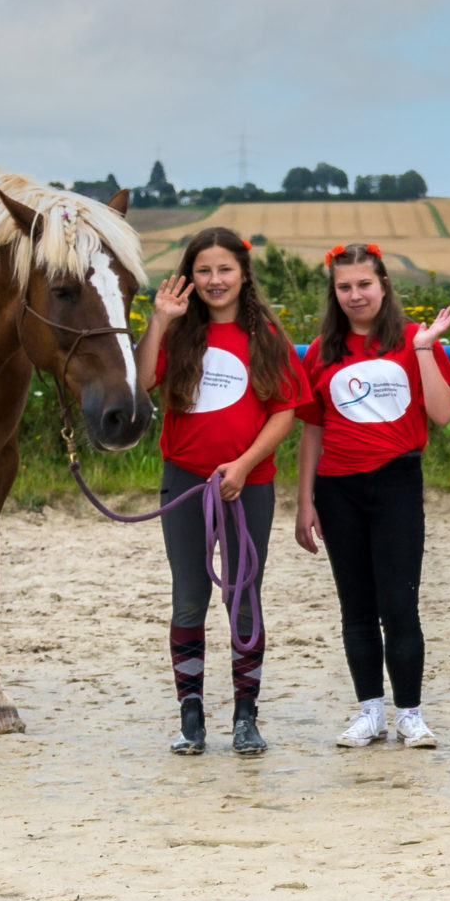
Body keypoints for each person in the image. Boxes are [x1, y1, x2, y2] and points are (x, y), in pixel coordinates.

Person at [138, 227, 306, 757]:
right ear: (191, 277)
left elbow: (285, 409)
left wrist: (244, 464)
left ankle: (245, 715)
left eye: (224, 270)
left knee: (243, 596)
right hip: (186, 483)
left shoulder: (267, 337)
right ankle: (191, 715)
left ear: (242, 274)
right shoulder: (178, 334)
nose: (215, 280)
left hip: (246, 485)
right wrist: (160, 321)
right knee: (190, 595)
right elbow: (141, 381)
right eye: (204, 271)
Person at [292, 244, 450, 750]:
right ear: (334, 292)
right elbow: (312, 432)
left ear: (383, 284)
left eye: (364, 284)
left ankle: (410, 713)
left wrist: (427, 349)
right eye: (344, 287)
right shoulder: (323, 350)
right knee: (356, 606)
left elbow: (442, 414)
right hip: (338, 488)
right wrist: (305, 501)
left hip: (396, 481)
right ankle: (370, 712)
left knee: (399, 604)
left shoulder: (413, 339)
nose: (354, 295)